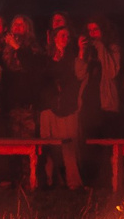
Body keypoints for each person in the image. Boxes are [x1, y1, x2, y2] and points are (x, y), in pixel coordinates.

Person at [36, 23, 87, 189]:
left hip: (67, 106)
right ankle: (47, 182)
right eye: (62, 36)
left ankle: (74, 183)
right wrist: (53, 60)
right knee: (48, 147)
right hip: (49, 107)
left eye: (67, 36)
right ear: (55, 39)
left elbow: (80, 75)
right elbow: (41, 78)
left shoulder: (72, 58)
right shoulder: (45, 59)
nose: (65, 39)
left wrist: (81, 51)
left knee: (69, 147)